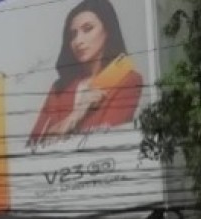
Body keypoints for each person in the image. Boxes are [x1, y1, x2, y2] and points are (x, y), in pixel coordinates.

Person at [28, 0, 144, 145]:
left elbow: (104, 142)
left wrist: (59, 131)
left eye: (88, 29)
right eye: (73, 35)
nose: (78, 41)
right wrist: (76, 113)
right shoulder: (59, 88)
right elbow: (33, 144)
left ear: (107, 30)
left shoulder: (127, 80)